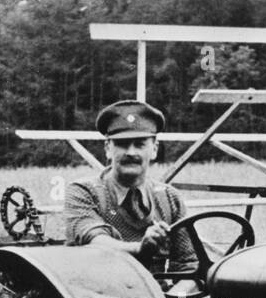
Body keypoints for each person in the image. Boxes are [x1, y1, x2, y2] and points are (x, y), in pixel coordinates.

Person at [63, 100, 198, 283]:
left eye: (140, 144)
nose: (131, 152)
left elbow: (188, 266)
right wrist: (140, 249)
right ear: (108, 149)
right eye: (122, 144)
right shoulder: (84, 192)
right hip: (98, 297)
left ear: (154, 149)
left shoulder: (169, 198)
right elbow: (95, 241)